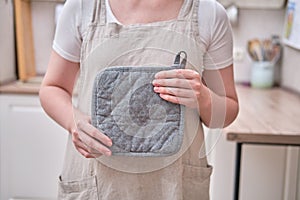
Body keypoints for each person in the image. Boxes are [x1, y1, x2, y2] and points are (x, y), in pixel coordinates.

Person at [39, 0, 239, 199]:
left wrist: (202, 97)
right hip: (98, 183)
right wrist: (74, 122)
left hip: (176, 185)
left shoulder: (209, 14)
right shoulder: (82, 7)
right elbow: (52, 88)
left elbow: (228, 109)